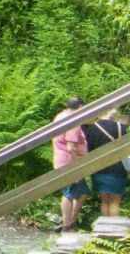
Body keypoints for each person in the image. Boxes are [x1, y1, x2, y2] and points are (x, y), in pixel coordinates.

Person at [51, 97, 90, 231]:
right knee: (69, 193)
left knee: (82, 192)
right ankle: (67, 225)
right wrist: (77, 165)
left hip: (61, 160)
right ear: (80, 107)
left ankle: (70, 221)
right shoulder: (73, 121)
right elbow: (71, 146)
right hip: (70, 162)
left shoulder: (60, 116)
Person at [83, 108, 129, 217]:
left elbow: (88, 150)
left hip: (99, 167)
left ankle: (105, 224)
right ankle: (114, 227)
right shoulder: (121, 128)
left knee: (104, 200)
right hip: (118, 166)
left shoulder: (92, 129)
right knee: (115, 201)